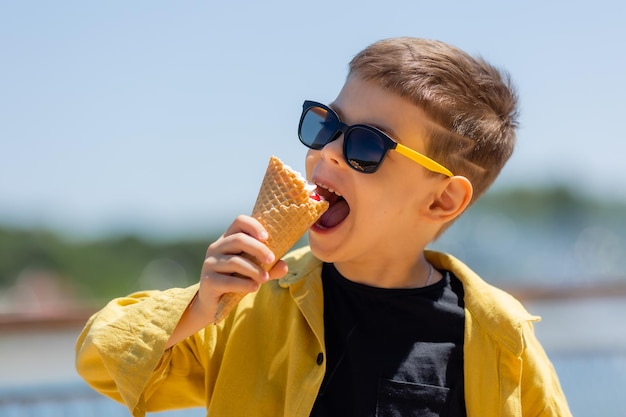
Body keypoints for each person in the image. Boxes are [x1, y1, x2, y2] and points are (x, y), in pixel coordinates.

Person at [76, 37, 572, 417]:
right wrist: (199, 308)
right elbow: (100, 356)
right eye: (326, 125)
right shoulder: (247, 309)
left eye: (366, 146)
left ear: (442, 198)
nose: (328, 151)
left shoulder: (499, 338)